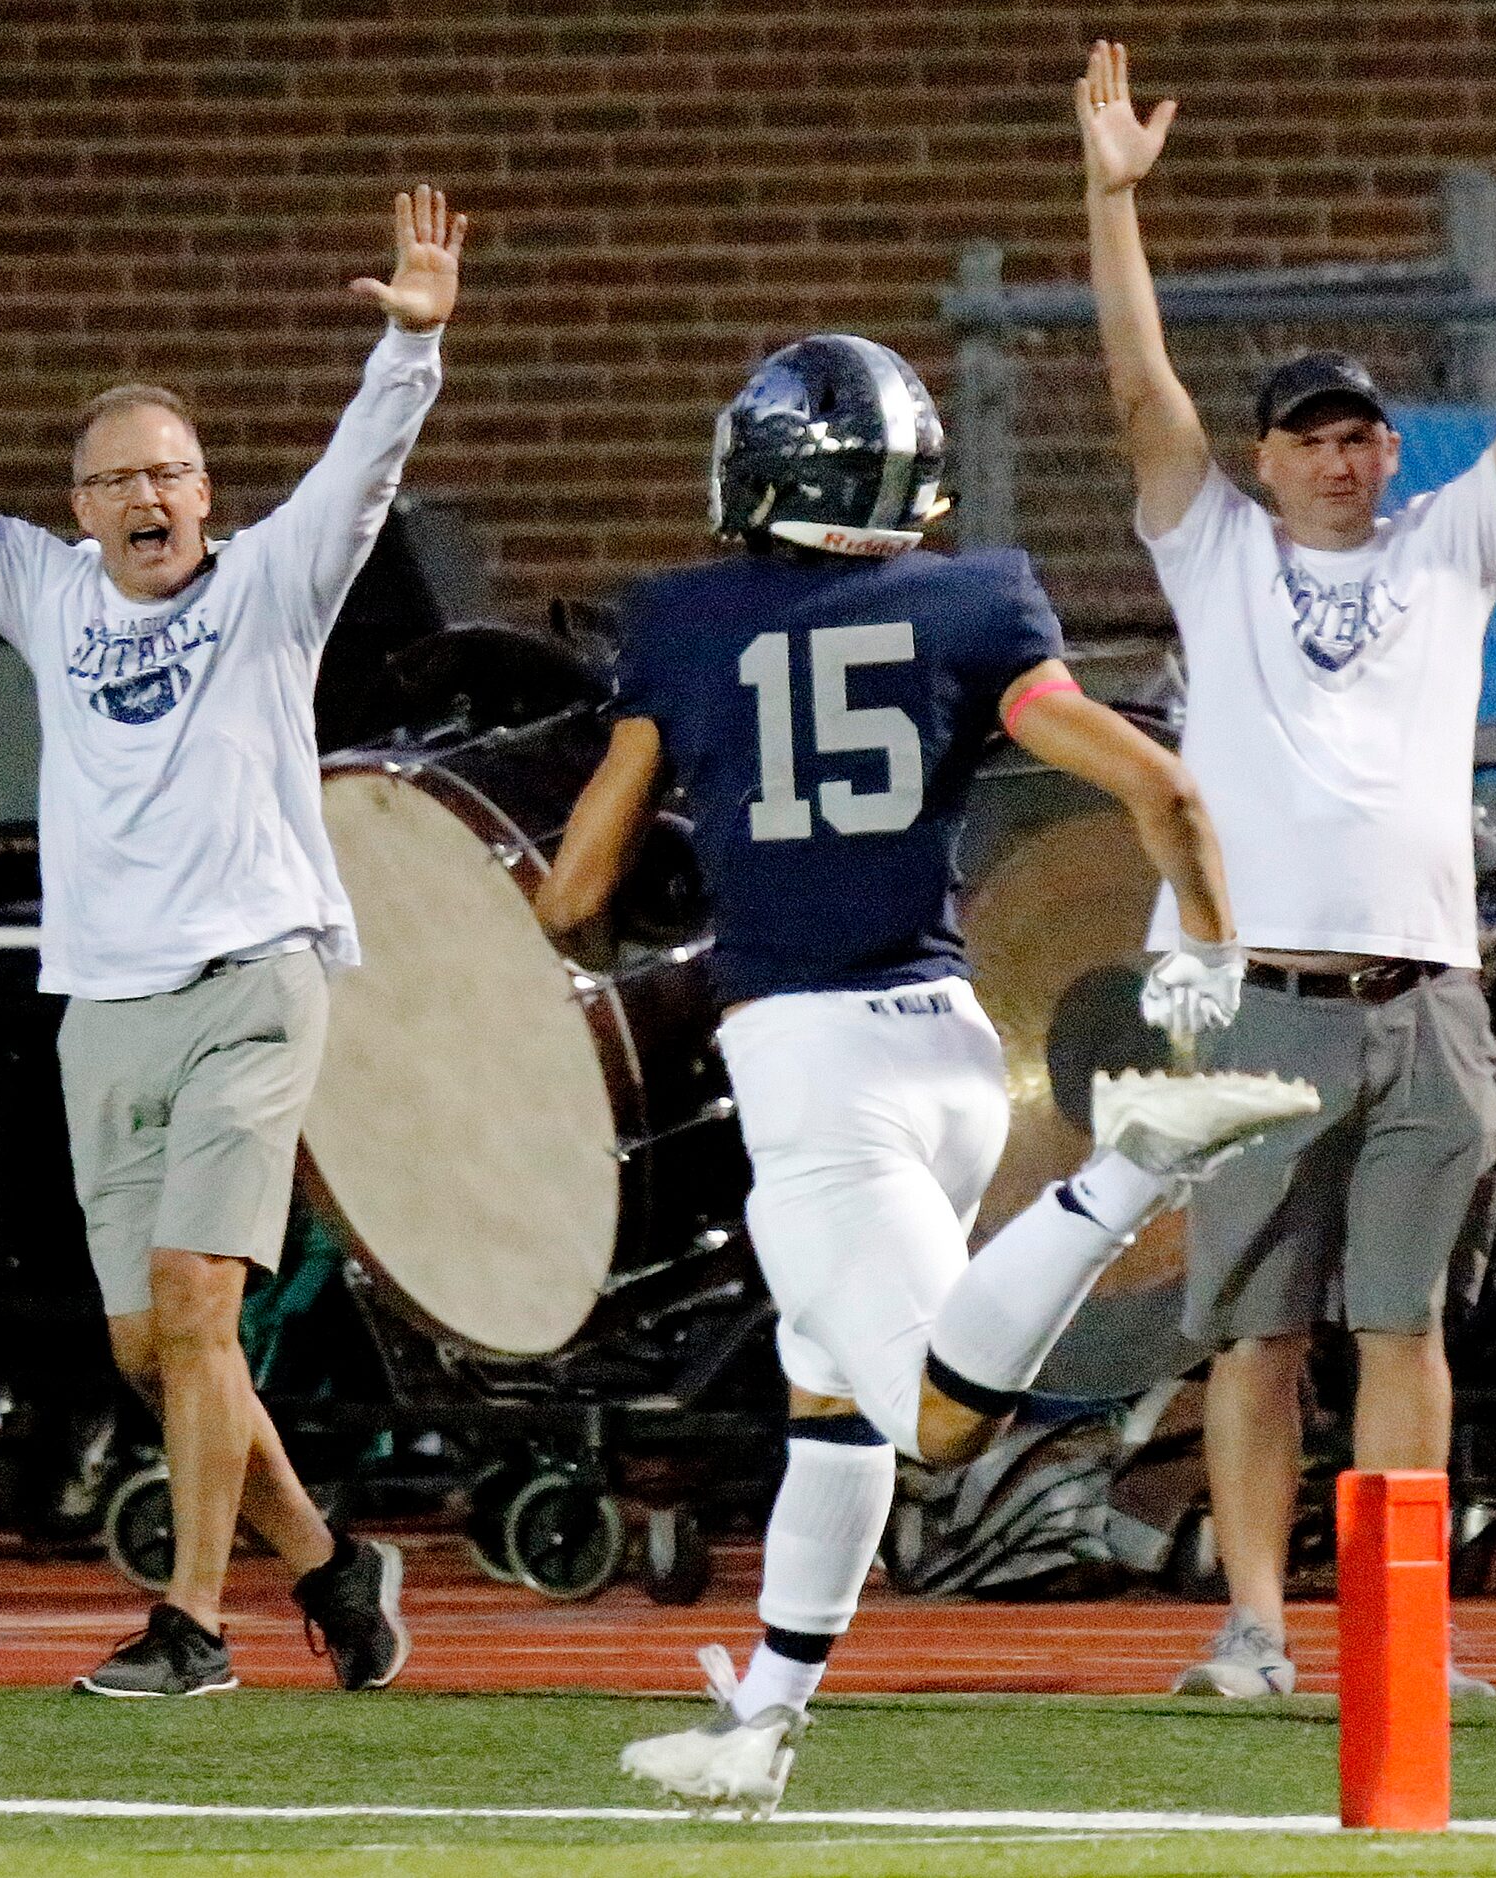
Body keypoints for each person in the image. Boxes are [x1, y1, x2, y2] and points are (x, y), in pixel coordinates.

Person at [533, 333, 1317, 1814]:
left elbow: (578, 888)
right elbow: (1166, 787)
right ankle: (761, 1721)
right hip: (946, 1048)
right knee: (824, 1395)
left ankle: (1138, 1156)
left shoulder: (687, 623)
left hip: (816, 1062)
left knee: (933, 1419)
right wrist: (1209, 969)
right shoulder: (969, 603)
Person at [0, 188, 470, 1698]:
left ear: (206, 492)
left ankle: (193, 1625)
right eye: (118, 479)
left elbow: (362, 480)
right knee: (154, 1347)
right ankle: (329, 1565)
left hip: (255, 977)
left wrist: (409, 350)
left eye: (172, 475)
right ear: (79, 506)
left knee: (200, 1306)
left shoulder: (267, 587)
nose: (149, 498)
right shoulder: (49, 594)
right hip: (105, 1004)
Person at [1074, 39, 1496, 1696]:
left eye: (1361, 435)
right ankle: (1259, 1632)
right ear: (1267, 460)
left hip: (1428, 1000)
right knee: (1257, 1334)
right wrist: (1111, 199)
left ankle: (1401, 1640)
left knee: (1407, 1328)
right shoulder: (1214, 550)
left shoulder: (1448, 548)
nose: (1343, 458)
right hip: (1263, 1003)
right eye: (1311, 438)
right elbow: (1145, 394)